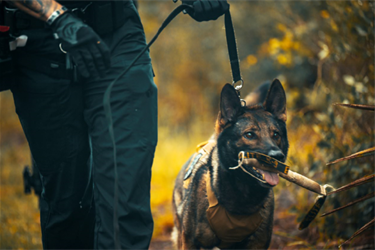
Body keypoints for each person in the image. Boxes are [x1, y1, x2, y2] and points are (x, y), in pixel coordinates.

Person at [1, 0, 229, 249]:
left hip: (118, 35)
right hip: (38, 46)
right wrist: (60, 18)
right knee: (67, 205)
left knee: (126, 201)